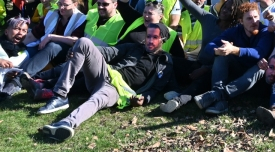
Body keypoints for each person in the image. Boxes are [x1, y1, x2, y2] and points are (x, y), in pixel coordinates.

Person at [38, 23, 174, 141]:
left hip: (118, 89)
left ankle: (67, 123)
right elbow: (109, 51)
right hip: (105, 73)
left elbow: (156, 88)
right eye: (148, 36)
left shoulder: (164, 62)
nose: (150, 41)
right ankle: (60, 95)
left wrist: (144, 99)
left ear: (163, 39)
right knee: (84, 42)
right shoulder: (134, 47)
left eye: (155, 37)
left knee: (96, 100)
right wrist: (80, 50)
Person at [194, 2, 274, 115]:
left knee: (261, 66)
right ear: (241, 21)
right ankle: (220, 102)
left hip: (256, 81)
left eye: (256, 17)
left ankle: (217, 95)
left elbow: (258, 53)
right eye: (249, 18)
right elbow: (209, 46)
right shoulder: (235, 30)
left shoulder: (265, 31)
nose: (254, 21)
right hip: (238, 73)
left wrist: (234, 50)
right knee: (222, 54)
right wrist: (217, 51)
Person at [21, 0, 87, 77]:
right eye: (60, 4)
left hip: (66, 54)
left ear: (75, 4)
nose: (61, 7)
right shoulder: (52, 14)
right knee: (25, 53)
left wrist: (51, 37)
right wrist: (18, 44)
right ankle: (15, 72)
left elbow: (75, 41)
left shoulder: (81, 19)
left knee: (53, 46)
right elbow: (33, 35)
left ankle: (24, 75)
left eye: (65, 5)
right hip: (44, 48)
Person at [0, 18, 29, 100]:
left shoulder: (24, 50)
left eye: (24, 30)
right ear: (6, 31)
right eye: (17, 29)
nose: (20, 33)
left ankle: (5, 93)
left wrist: (14, 74)